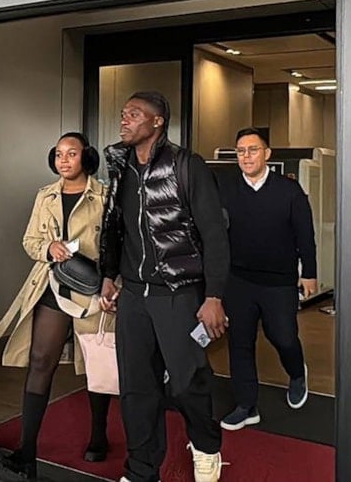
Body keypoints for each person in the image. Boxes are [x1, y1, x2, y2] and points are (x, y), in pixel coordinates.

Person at [99, 91, 230, 482]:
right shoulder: (120, 166)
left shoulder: (187, 166)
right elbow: (114, 226)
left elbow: (214, 234)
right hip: (133, 295)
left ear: (157, 122)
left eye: (134, 114)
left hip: (179, 293)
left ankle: (206, 447)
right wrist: (108, 275)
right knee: (137, 390)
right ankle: (141, 471)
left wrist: (214, 296)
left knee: (188, 383)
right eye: (123, 114)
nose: (124, 120)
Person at [0, 132, 113, 480]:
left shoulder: (105, 196)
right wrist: (48, 248)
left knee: (96, 362)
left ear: (86, 157)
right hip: (52, 285)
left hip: (92, 288)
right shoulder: (45, 195)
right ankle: (26, 452)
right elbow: (30, 240)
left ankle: (99, 436)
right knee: (41, 361)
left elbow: (117, 244)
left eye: (71, 153)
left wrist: (112, 282)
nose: (64, 160)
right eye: (59, 154)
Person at [219, 128, 316, 432]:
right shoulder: (226, 189)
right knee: (240, 342)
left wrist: (309, 273)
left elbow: (305, 235)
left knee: (283, 336)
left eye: (253, 150)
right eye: (241, 151)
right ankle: (246, 406)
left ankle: (297, 373)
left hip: (279, 281)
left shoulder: (289, 191)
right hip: (238, 280)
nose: (246, 156)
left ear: (267, 154)